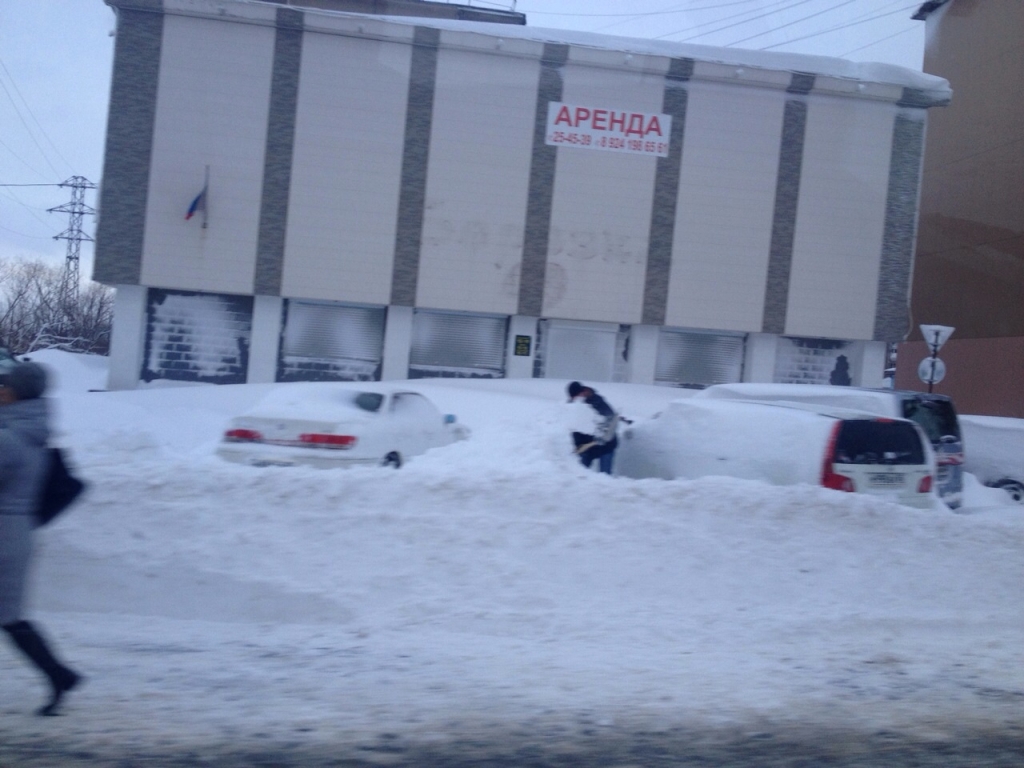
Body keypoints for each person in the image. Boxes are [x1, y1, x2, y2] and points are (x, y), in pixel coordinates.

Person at [0, 362, 81, 716]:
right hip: (18, 533)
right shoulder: (34, 431)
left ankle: (59, 675)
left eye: (5, 387)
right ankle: (59, 675)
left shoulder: (9, 438)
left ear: (15, 393)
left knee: (10, 617)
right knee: (10, 617)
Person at [567, 381, 620, 474]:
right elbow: (574, 427)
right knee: (579, 475)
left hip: (606, 445)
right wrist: (578, 445)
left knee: (605, 477)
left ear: (582, 392)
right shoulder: (573, 407)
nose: (576, 399)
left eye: (577, 395)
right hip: (586, 446)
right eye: (573, 397)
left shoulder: (597, 401)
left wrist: (603, 436)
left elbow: (611, 418)